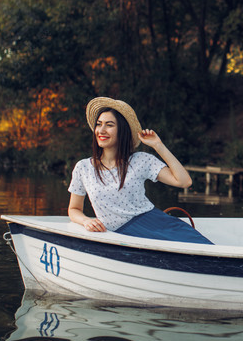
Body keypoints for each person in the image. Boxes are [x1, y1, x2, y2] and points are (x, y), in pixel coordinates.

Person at [68, 96, 212, 244]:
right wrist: (86, 221)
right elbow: (74, 209)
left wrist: (158, 145)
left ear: (122, 130)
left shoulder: (140, 160)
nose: (101, 130)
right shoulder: (83, 167)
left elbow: (184, 181)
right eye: (99, 124)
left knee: (207, 251)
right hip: (119, 235)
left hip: (156, 223)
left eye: (109, 125)